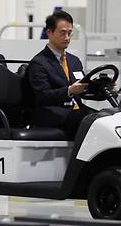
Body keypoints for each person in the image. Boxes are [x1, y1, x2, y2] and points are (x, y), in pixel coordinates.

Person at [27, 10, 95, 139]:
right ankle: (79, 159)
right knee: (87, 121)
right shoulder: (39, 63)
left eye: (70, 33)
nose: (67, 38)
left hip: (75, 111)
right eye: (63, 33)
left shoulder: (74, 61)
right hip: (52, 113)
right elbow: (43, 95)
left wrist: (101, 88)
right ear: (49, 33)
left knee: (103, 118)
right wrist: (69, 91)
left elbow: (83, 89)